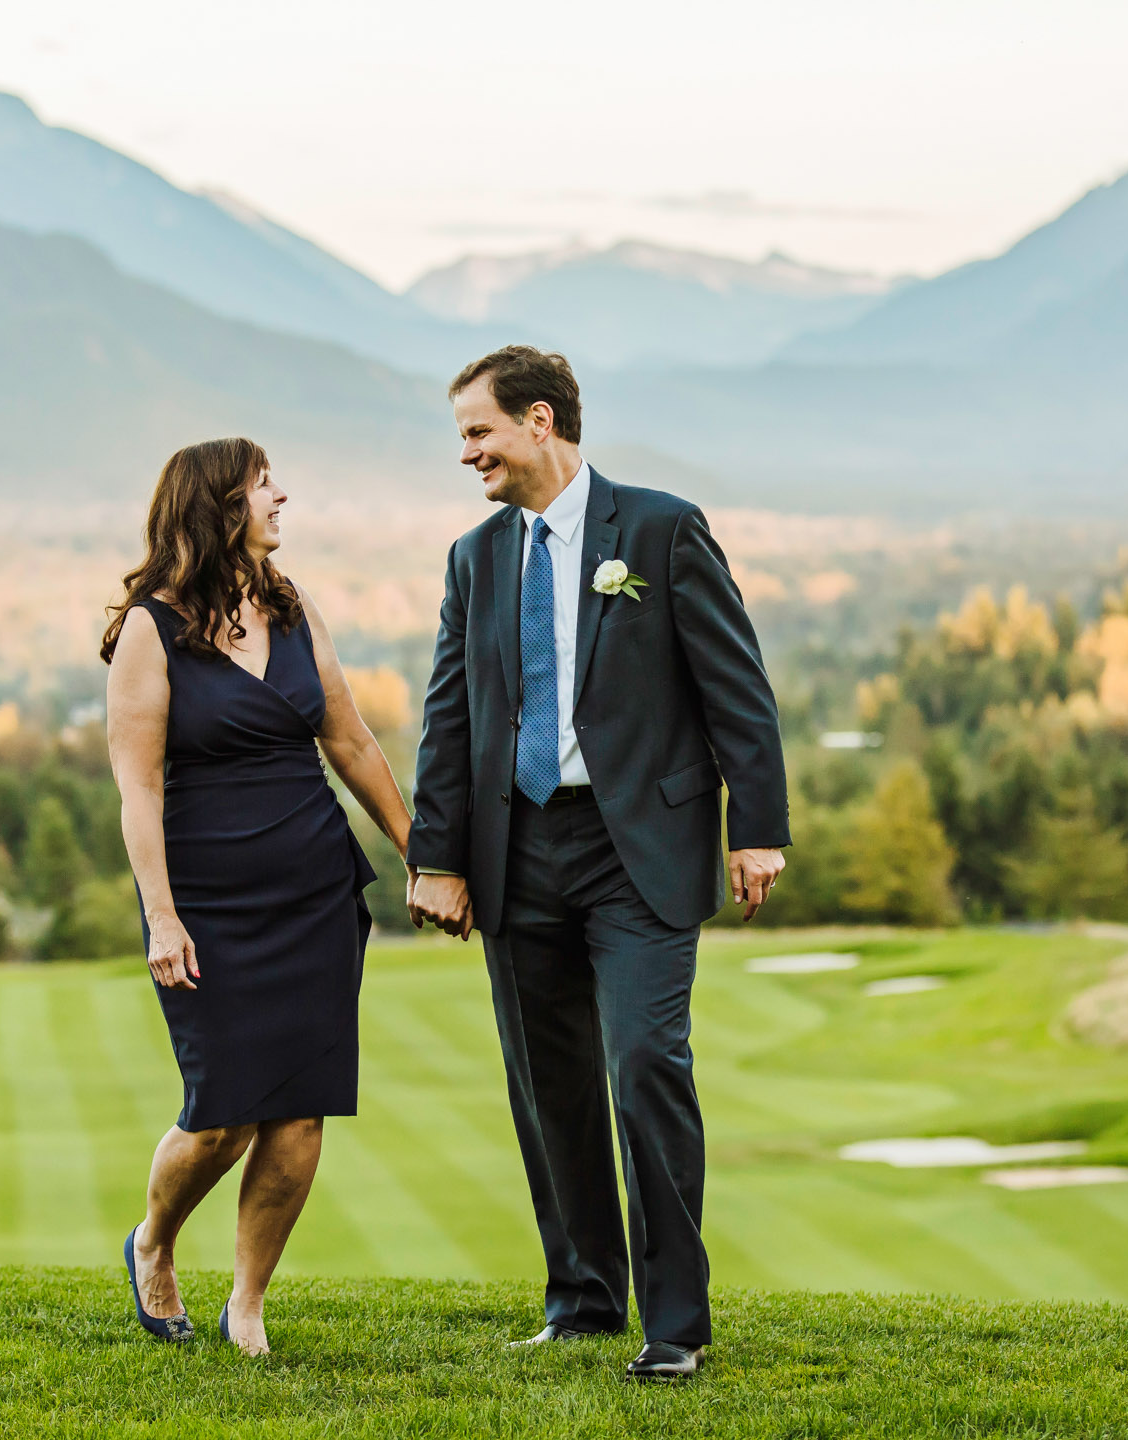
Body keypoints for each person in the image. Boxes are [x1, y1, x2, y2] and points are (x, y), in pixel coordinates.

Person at [406, 347, 790, 1381]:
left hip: (640, 851)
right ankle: (581, 1299)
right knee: (549, 1082)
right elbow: (451, 718)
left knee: (644, 1065)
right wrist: (435, 857)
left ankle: (676, 1326)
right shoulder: (474, 558)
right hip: (516, 849)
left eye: (479, 433)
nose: (467, 454)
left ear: (541, 423)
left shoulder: (660, 530)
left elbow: (736, 690)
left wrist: (756, 828)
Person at [102, 437, 413, 1352]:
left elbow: (349, 741)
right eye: (263, 483)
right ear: (220, 506)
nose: (282, 495)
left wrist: (416, 851)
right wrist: (161, 915)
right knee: (221, 1114)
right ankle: (153, 1243)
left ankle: (247, 1307)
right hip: (206, 907)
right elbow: (140, 788)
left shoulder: (291, 603)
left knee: (301, 1110)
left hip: (315, 890)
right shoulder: (148, 632)